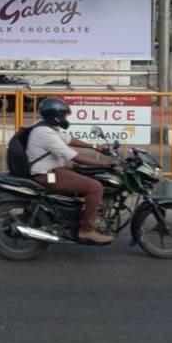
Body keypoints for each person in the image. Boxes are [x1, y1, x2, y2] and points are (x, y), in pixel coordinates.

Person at [27, 98, 118, 244]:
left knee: (88, 174)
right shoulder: (44, 132)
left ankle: (78, 214)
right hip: (46, 173)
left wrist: (94, 146)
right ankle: (86, 230)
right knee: (95, 187)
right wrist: (105, 164)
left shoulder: (47, 126)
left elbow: (69, 140)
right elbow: (74, 156)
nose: (65, 118)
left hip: (55, 167)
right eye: (63, 115)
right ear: (55, 115)